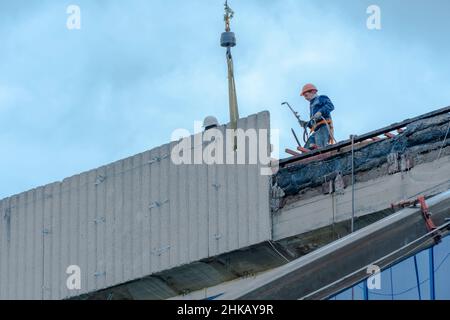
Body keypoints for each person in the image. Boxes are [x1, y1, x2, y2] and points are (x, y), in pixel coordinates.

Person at [300, 83, 335, 149]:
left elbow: (331, 106)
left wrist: (320, 112)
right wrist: (306, 124)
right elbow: (313, 124)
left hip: (324, 128)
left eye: (306, 95)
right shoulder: (312, 105)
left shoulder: (321, 98)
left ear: (313, 91)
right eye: (304, 96)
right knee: (307, 146)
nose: (305, 98)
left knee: (320, 147)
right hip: (317, 131)